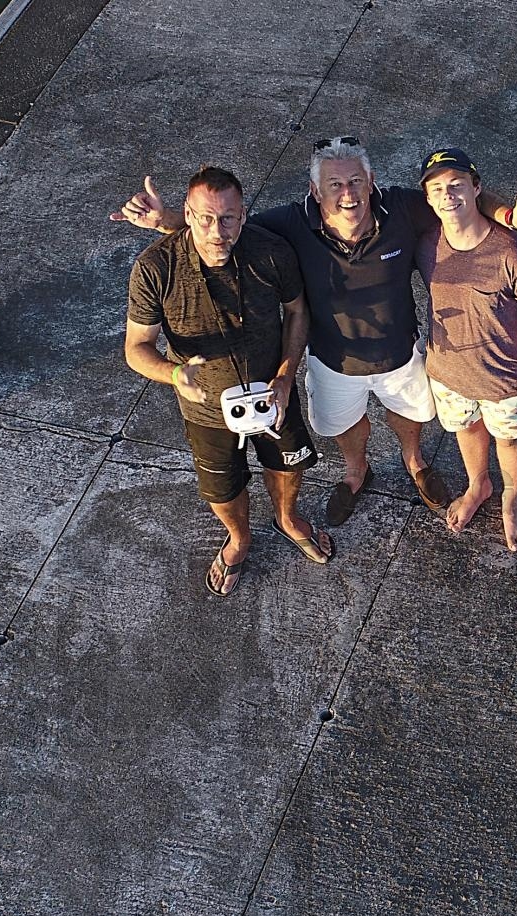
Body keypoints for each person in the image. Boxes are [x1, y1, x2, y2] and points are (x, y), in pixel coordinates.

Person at [115, 137, 517, 527]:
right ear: (315, 190)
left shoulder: (402, 208)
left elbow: (462, 195)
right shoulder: (290, 223)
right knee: (345, 423)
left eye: (356, 181)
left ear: (371, 182)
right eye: (335, 184)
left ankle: (415, 461)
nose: (348, 194)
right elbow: (224, 227)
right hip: (332, 361)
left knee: (409, 416)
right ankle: (356, 471)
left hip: (399, 355)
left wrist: (509, 214)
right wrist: (166, 219)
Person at [124, 165, 328, 597]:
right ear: (187, 215)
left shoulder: (271, 252)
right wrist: (174, 373)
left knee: (287, 466)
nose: (217, 232)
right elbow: (136, 348)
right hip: (205, 409)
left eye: (228, 218)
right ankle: (239, 538)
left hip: (274, 392)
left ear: (243, 214)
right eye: (205, 218)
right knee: (221, 487)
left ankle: (287, 518)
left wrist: (286, 376)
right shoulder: (154, 268)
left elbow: (296, 311)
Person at [416, 147, 517, 552]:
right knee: (466, 428)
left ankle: (512, 498)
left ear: (476, 188)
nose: (447, 195)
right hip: (448, 372)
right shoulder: (426, 242)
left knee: (508, 440)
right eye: (437, 188)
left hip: (505, 378)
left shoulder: (512, 253)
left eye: (457, 184)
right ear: (427, 198)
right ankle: (479, 484)